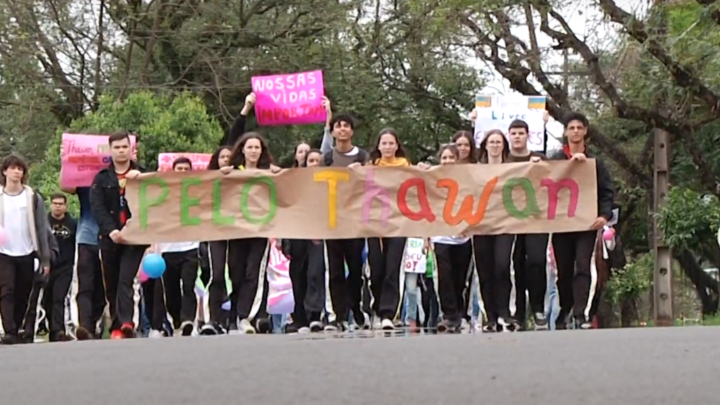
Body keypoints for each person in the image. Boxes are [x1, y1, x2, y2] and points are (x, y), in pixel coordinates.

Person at [549, 112, 614, 330]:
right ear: (565, 131)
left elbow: (606, 192)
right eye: (571, 128)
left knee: (583, 266)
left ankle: (581, 313)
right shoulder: (555, 161)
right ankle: (565, 308)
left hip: (587, 224)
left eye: (579, 127)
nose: (575, 131)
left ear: (585, 131)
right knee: (564, 270)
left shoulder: (595, 163)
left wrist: (603, 216)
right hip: (561, 225)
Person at [200, 93, 254, 335]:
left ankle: (234, 318)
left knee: (238, 275)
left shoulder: (241, 173)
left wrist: (246, 111)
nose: (224, 160)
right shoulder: (209, 181)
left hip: (240, 232)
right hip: (217, 231)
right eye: (220, 157)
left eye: (227, 156)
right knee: (217, 274)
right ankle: (213, 320)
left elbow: (235, 139)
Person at [90, 132, 147, 339]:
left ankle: (127, 322)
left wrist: (142, 181)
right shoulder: (101, 178)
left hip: (135, 237)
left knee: (126, 279)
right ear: (110, 150)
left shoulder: (143, 174)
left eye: (125, 147)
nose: (121, 151)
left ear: (131, 149)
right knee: (112, 283)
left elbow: (156, 201)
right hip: (110, 238)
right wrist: (111, 230)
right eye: (117, 147)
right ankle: (115, 326)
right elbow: (97, 207)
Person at [220, 132, 275, 334]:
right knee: (236, 273)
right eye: (250, 147)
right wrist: (222, 175)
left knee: (254, 272)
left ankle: (246, 316)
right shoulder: (232, 172)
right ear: (242, 149)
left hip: (260, 231)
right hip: (237, 231)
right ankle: (234, 316)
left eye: (257, 147)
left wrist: (278, 174)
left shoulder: (268, 172)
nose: (253, 151)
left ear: (262, 151)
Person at [320, 112, 370, 332]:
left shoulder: (362, 156)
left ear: (352, 131)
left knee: (356, 269)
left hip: (356, 223)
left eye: (346, 126)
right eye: (337, 126)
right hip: (333, 222)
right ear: (332, 132)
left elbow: (373, 185)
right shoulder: (327, 158)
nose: (342, 130)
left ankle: (356, 308)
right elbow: (317, 186)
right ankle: (338, 315)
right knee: (335, 271)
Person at [0, 154, 53, 345]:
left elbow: (41, 228)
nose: (16, 172)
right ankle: (9, 331)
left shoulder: (32, 197)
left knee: (23, 293)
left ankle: (18, 324)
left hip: (27, 252)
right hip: (4, 252)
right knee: (7, 290)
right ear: (5, 171)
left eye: (20, 169)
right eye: (13, 168)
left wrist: (45, 258)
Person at [503, 119, 549, 330]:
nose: (517, 136)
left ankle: (538, 308)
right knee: (516, 265)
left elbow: (554, 178)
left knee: (537, 262)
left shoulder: (539, 158)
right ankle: (518, 313)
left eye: (521, 133)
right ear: (509, 136)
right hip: (509, 220)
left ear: (527, 135)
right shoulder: (503, 160)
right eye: (513, 133)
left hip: (536, 219)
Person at [365, 128, 410, 330]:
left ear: (397, 145)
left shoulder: (406, 167)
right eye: (384, 143)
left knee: (393, 267)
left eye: (391, 143)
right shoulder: (370, 167)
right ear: (379, 146)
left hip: (398, 222)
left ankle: (388, 313)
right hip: (375, 223)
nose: (388, 147)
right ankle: (376, 305)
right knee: (376, 268)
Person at [427, 145, 474, 333]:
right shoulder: (432, 179)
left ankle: (460, 313)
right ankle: (449, 315)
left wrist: (466, 225)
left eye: (451, 157)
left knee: (459, 279)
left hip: (462, 237)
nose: (447, 161)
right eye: (444, 158)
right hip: (441, 237)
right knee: (444, 277)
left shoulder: (467, 179)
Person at [155, 157, 200, 336]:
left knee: (188, 286)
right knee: (171, 289)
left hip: (191, 247)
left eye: (186, 169)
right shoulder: (163, 193)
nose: (182, 172)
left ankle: (188, 320)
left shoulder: (198, 192)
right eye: (179, 169)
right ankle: (176, 320)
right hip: (168, 249)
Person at [283, 149, 327, 333]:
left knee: (314, 273)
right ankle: (299, 317)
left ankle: (315, 315)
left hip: (318, 235)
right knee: (298, 276)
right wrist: (285, 241)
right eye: (311, 160)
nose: (314, 164)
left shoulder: (328, 184)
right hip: (297, 236)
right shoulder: (294, 183)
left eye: (318, 161)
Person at [44, 192, 77, 341]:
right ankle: (49, 328)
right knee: (46, 300)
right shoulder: (44, 222)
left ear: (66, 206)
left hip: (65, 266)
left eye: (60, 204)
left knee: (59, 298)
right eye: (55, 203)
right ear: (50, 205)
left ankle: (58, 331)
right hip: (47, 266)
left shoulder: (73, 224)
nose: (57, 206)